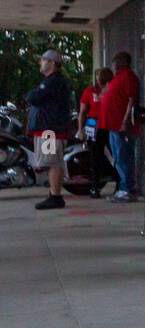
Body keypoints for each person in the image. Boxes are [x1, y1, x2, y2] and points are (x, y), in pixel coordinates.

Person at [25, 49, 73, 210]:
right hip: (50, 130)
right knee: (53, 162)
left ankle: (55, 196)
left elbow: (33, 97)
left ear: (52, 63)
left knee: (52, 162)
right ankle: (55, 195)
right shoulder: (53, 81)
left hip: (50, 130)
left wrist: (32, 95)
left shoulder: (53, 82)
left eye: (44, 60)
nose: (41, 62)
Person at [100, 51, 142, 202]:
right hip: (113, 125)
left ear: (123, 62)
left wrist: (125, 121)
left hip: (120, 126)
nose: (113, 64)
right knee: (119, 157)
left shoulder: (128, 76)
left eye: (116, 61)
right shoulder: (118, 77)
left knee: (123, 157)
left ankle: (126, 189)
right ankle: (125, 187)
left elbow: (132, 100)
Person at [77, 68, 115, 198]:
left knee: (113, 152)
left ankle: (117, 178)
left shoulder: (111, 89)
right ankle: (95, 186)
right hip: (93, 124)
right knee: (95, 156)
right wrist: (80, 129)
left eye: (101, 77)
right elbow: (82, 112)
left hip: (108, 124)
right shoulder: (89, 91)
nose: (99, 80)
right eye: (98, 76)